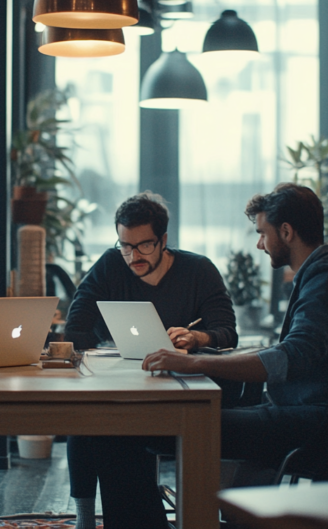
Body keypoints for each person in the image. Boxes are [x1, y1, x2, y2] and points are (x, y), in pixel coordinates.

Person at [141, 183, 328, 511]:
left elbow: (291, 358)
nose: (259, 243)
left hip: (319, 422)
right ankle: (218, 509)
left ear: (286, 231)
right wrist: (202, 352)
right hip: (307, 409)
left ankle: (193, 513)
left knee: (173, 425)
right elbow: (289, 351)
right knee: (177, 420)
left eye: (263, 233)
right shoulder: (324, 273)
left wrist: (196, 364)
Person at [62, 192, 237, 529]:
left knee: (112, 432)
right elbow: (77, 321)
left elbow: (226, 331)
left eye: (144, 245)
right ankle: (87, 518)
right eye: (125, 245)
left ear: (163, 240)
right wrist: (93, 357)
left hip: (179, 386)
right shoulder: (112, 263)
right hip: (121, 378)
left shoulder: (198, 270)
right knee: (87, 416)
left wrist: (198, 338)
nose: (133, 256)